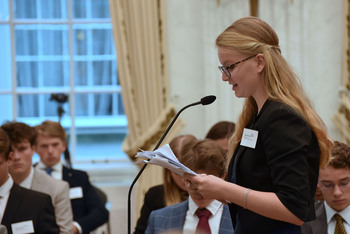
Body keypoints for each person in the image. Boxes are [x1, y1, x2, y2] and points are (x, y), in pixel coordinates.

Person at [184, 16, 333, 234]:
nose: (225, 78)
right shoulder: (257, 118)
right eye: (222, 68)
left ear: (259, 62)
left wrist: (224, 188)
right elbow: (257, 193)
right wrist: (214, 189)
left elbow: (294, 208)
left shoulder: (283, 119)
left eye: (229, 67)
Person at [33, 120, 109, 234]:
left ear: (64, 146)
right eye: (44, 146)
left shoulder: (79, 178)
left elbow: (100, 212)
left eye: (55, 145)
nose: (50, 151)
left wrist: (74, 228)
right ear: (35, 148)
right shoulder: (27, 176)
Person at [145, 139, 234, 234]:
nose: (199, 191)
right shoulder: (159, 218)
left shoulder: (240, 218)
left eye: (205, 184)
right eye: (192, 182)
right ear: (183, 177)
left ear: (222, 176)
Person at [1, 121, 74, 234]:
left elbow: (65, 232)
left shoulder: (56, 189)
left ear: (33, 149)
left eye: (22, 149)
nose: (16, 157)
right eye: (11, 151)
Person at [133, 134, 196, 234]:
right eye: (176, 172)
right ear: (168, 171)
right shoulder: (155, 196)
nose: (183, 178)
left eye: (188, 170)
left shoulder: (212, 196)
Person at [301, 141, 350, 234]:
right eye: (328, 185)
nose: (337, 193)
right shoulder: (304, 222)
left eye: (344, 183)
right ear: (317, 183)